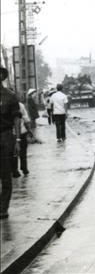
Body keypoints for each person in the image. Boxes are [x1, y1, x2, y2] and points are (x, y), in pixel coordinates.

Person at [1, 66, 21, 219]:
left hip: (5, 137)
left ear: (2, 76)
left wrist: (18, 139)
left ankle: (3, 208)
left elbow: (16, 119)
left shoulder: (10, 96)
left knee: (5, 174)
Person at [13, 101, 32, 176]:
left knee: (13, 152)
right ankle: (24, 168)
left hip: (10, 133)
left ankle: (14, 170)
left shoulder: (3, 104)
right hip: (21, 132)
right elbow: (26, 119)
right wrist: (29, 130)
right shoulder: (20, 105)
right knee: (23, 151)